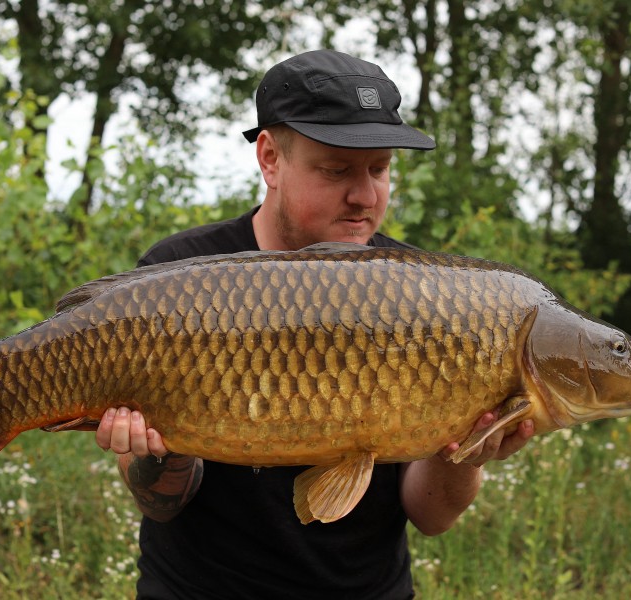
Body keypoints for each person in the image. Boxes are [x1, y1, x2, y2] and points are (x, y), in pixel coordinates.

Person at [95, 49, 534, 599]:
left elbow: (432, 517)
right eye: (336, 170)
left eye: (380, 169)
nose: (365, 196)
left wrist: (465, 454)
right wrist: (159, 450)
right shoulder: (178, 280)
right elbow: (162, 502)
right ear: (271, 158)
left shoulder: (423, 292)